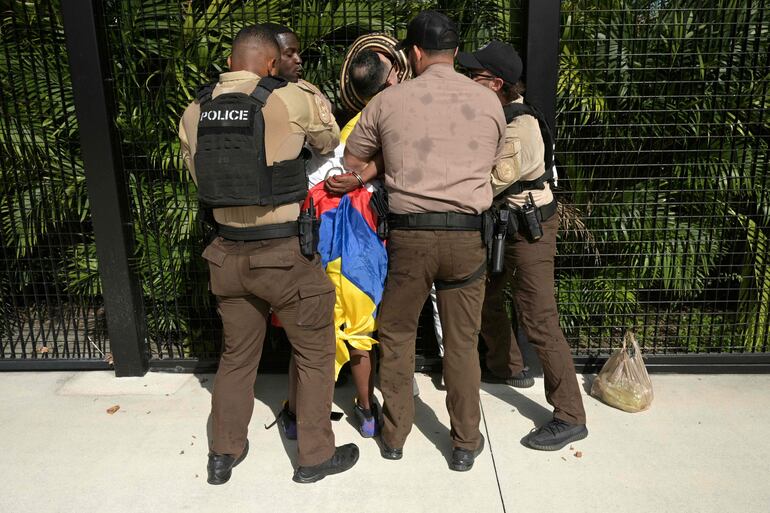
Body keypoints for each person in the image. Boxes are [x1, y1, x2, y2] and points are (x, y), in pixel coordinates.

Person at [178, 24, 358, 484]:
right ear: (271, 62)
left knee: (237, 358)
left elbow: (200, 178)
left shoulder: (195, 109)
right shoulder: (288, 97)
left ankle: (222, 455)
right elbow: (328, 142)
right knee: (315, 353)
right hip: (284, 254)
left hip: (226, 254)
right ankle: (315, 457)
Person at [339, 11, 506, 471]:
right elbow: (492, 159)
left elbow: (353, 160)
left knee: (395, 335)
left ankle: (394, 437)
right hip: (468, 238)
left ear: (413, 53)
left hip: (411, 240)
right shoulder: (489, 101)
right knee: (462, 342)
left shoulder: (389, 102)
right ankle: (466, 443)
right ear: (454, 51)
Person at [458, 40, 588, 450]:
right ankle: (507, 366)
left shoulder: (519, 127)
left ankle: (570, 415)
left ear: (496, 83)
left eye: (474, 76)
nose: (466, 80)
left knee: (540, 318)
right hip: (505, 225)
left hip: (529, 231)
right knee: (487, 296)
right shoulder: (498, 113)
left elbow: (490, 182)